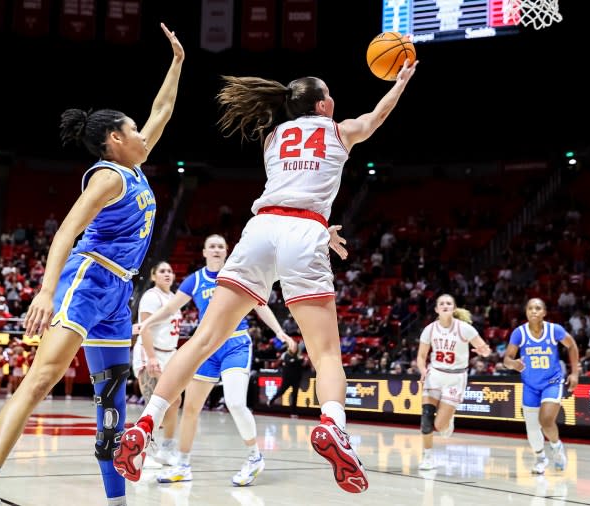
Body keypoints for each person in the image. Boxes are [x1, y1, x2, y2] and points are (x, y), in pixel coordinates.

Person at [114, 57, 418, 494]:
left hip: (261, 229)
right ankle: (333, 424)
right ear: (324, 104)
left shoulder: (272, 136)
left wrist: (315, 224)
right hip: (304, 233)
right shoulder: (339, 129)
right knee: (326, 353)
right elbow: (377, 116)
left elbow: (291, 188)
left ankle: (146, 423)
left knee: (201, 340)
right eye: (330, 94)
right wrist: (402, 81)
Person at [0, 23, 184, 506]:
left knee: (113, 406)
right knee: (41, 379)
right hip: (88, 280)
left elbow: (162, 111)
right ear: (116, 139)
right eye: (134, 129)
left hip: (119, 293)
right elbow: (65, 231)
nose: (144, 133)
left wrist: (177, 63)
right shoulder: (107, 175)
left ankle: (116, 501)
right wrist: (44, 290)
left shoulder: (135, 165)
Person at [138, 236, 295, 486]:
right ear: (204, 251)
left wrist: (279, 331)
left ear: (226, 251)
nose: (216, 249)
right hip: (206, 347)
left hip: (235, 344)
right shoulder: (196, 279)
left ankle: (254, 457)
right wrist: (147, 322)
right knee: (190, 408)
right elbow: (170, 309)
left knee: (234, 402)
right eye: (211, 245)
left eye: (220, 246)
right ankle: (183, 464)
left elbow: (260, 304)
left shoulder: (238, 276)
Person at [503, 298, 580, 475]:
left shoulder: (554, 330)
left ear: (544, 312)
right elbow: (507, 359)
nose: (534, 311)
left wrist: (575, 372)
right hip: (530, 385)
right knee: (531, 427)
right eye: (530, 308)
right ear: (526, 312)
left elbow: (572, 346)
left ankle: (556, 447)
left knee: (545, 420)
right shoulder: (519, 333)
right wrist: (513, 364)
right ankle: (540, 458)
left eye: (538, 308)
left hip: (551, 382)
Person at [417, 294, 491, 471]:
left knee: (439, 426)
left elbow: (486, 351)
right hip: (435, 374)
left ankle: (448, 420)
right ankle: (427, 456)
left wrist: (483, 351)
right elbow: (421, 357)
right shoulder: (430, 329)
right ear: (436, 309)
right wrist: (423, 371)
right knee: (426, 418)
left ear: (454, 309)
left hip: (455, 378)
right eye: (441, 303)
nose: (445, 305)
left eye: (448, 303)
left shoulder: (465, 329)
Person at [131, 261, 183, 466]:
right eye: (162, 271)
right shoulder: (151, 297)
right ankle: (142, 451)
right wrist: (151, 357)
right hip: (151, 352)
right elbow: (144, 328)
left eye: (170, 271)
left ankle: (167, 448)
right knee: (154, 403)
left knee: (175, 401)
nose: (167, 274)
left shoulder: (173, 298)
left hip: (170, 354)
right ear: (153, 276)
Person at [268, 339, 306, 416]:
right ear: (290, 347)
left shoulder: (299, 355)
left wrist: (299, 361)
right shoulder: (286, 354)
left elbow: (301, 364)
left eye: (295, 347)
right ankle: (271, 400)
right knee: (281, 391)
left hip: (296, 378)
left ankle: (293, 412)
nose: (294, 348)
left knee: (295, 395)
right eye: (293, 346)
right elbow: (290, 362)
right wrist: (298, 360)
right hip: (287, 378)